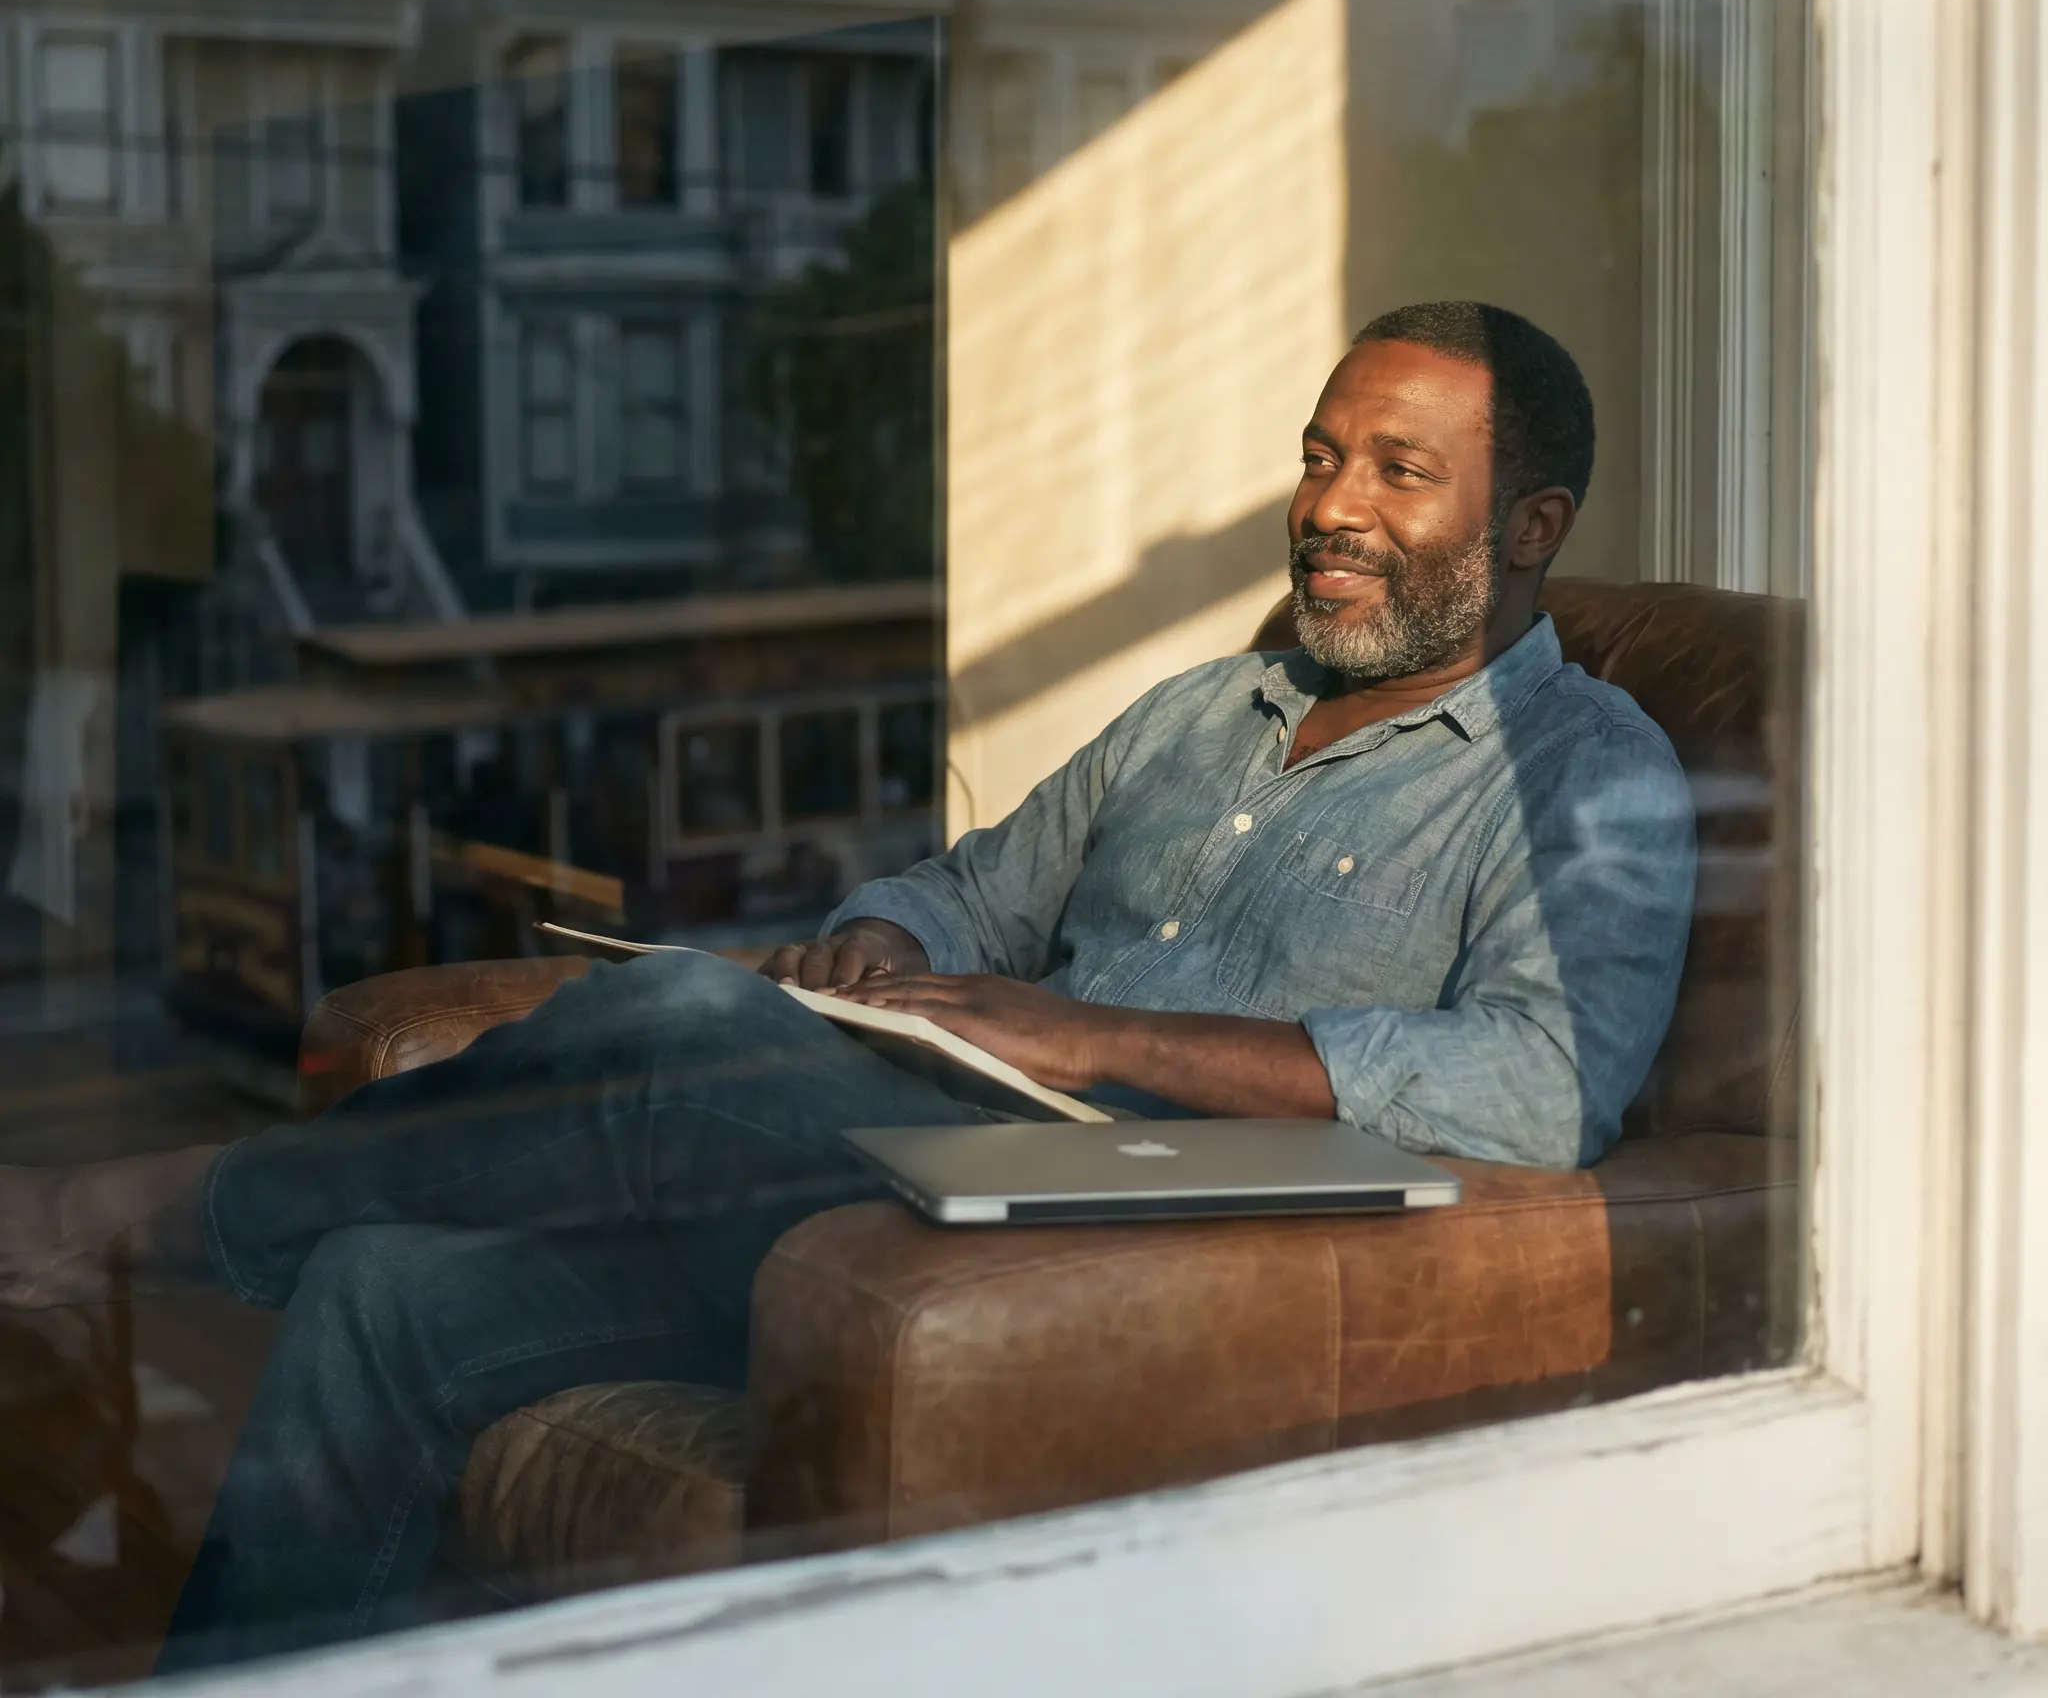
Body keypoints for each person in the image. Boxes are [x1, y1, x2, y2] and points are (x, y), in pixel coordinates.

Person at [0, 301, 1696, 1667]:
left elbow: (1546, 1088)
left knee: (680, 1019)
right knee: (377, 1286)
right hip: (909, 1189)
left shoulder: (1584, 768)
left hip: (1161, 1255)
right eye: (1323, 456)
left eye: (1401, 471)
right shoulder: (1204, 713)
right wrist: (892, 940)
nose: (1330, 507)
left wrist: (1103, 1034)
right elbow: (973, 887)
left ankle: (127, 1216)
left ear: (1531, 524)